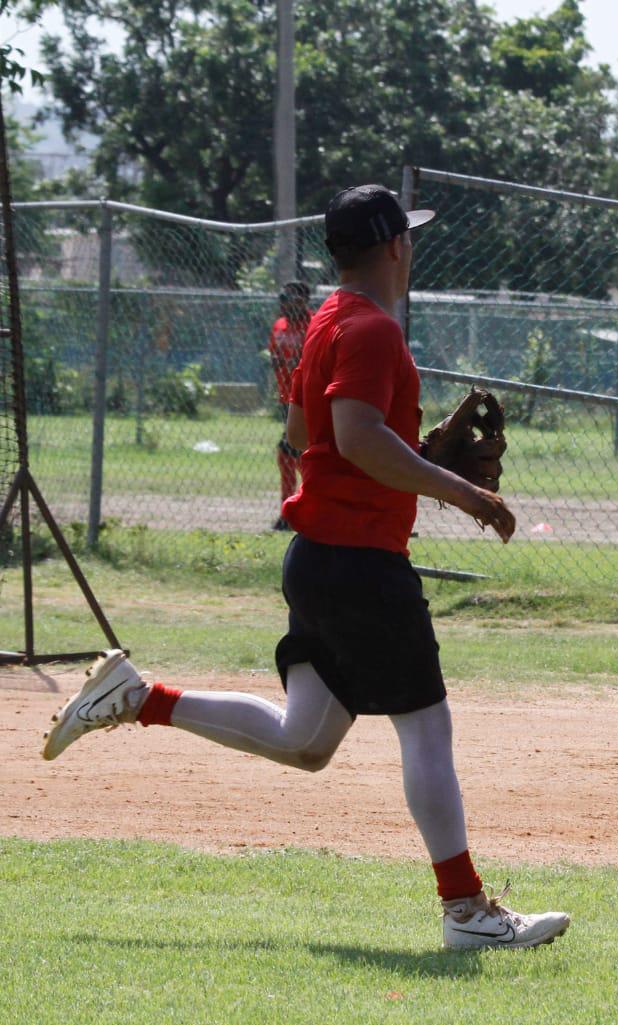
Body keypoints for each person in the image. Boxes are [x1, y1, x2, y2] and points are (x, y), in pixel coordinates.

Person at [42, 184, 571, 948]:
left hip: (321, 558)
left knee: (306, 741)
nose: (412, 248)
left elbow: (306, 434)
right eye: (409, 237)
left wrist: (412, 459)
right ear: (395, 246)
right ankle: (466, 912)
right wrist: (461, 491)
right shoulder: (375, 330)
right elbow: (354, 438)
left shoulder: (326, 319)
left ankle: (139, 698)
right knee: (426, 726)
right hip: (358, 564)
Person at [269, 280, 311, 531]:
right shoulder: (279, 326)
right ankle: (296, 506)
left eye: (291, 299)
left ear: (303, 301)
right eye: (283, 299)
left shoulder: (314, 324)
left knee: (290, 452)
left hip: (307, 399)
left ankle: (293, 509)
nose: (285, 304)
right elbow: (276, 354)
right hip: (287, 399)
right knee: (292, 453)